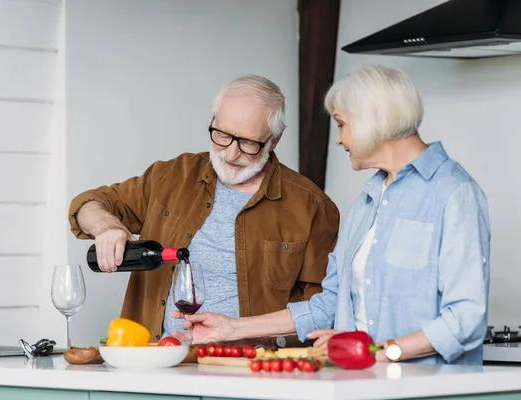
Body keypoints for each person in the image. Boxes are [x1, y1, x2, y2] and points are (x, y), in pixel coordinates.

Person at [171, 64, 491, 365]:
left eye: (341, 125)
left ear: (372, 121)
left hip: (429, 389)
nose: (339, 138)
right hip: (360, 386)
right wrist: (232, 328)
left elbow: (466, 317)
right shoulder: (366, 204)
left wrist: (380, 351)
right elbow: (330, 304)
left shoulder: (453, 193)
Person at [68, 75, 340, 343]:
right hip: (154, 359)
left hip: (248, 371)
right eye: (222, 135)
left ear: (274, 140)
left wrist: (246, 335)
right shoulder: (172, 176)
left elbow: (320, 308)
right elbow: (89, 203)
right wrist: (106, 226)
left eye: (248, 143)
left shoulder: (311, 207)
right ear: (212, 122)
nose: (231, 154)